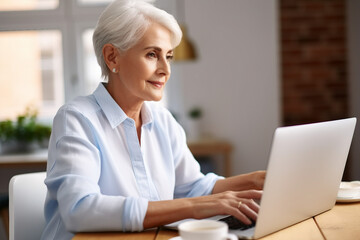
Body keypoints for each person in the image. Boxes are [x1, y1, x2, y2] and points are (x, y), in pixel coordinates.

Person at [41, 0, 266, 239]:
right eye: (152, 54)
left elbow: (192, 187)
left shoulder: (163, 120)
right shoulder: (76, 119)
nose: (165, 69)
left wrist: (256, 181)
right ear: (112, 57)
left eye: (168, 56)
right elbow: (80, 210)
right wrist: (196, 207)